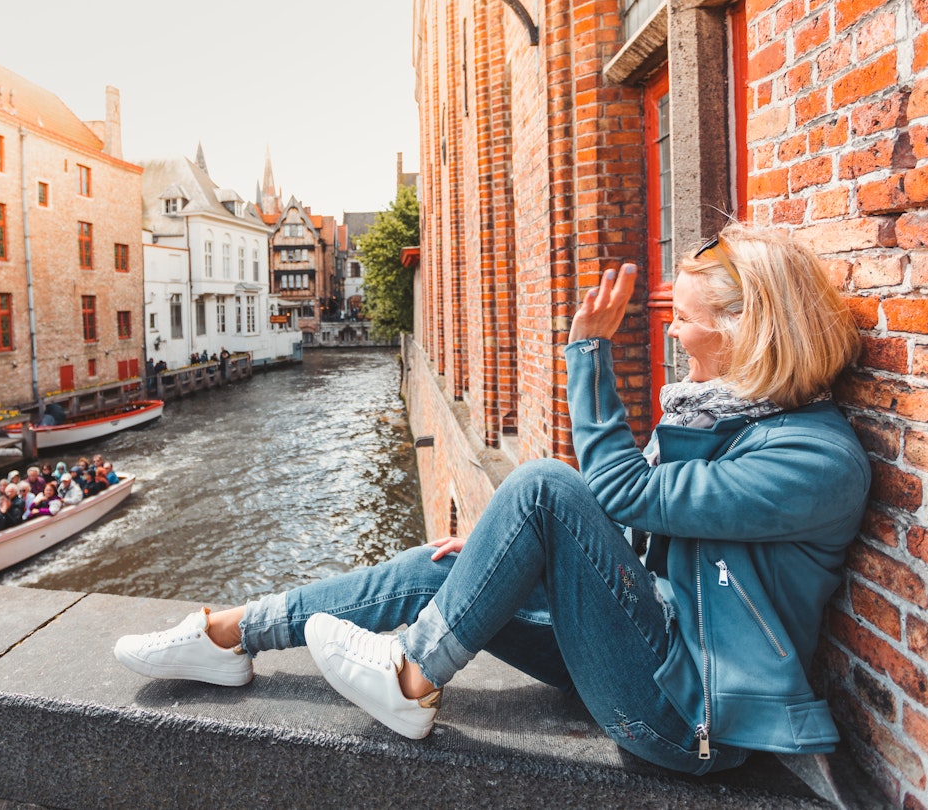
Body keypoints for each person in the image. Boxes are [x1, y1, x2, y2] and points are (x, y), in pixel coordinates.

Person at [113, 224, 868, 771]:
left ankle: (412, 674)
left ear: (746, 331)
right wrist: (501, 548)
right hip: (649, 641)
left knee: (542, 482)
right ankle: (229, 635)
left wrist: (587, 356)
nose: (672, 332)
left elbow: (620, 492)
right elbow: (624, 524)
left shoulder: (812, 458)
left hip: (692, 717)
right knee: (447, 561)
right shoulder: (719, 414)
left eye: (686, 320)